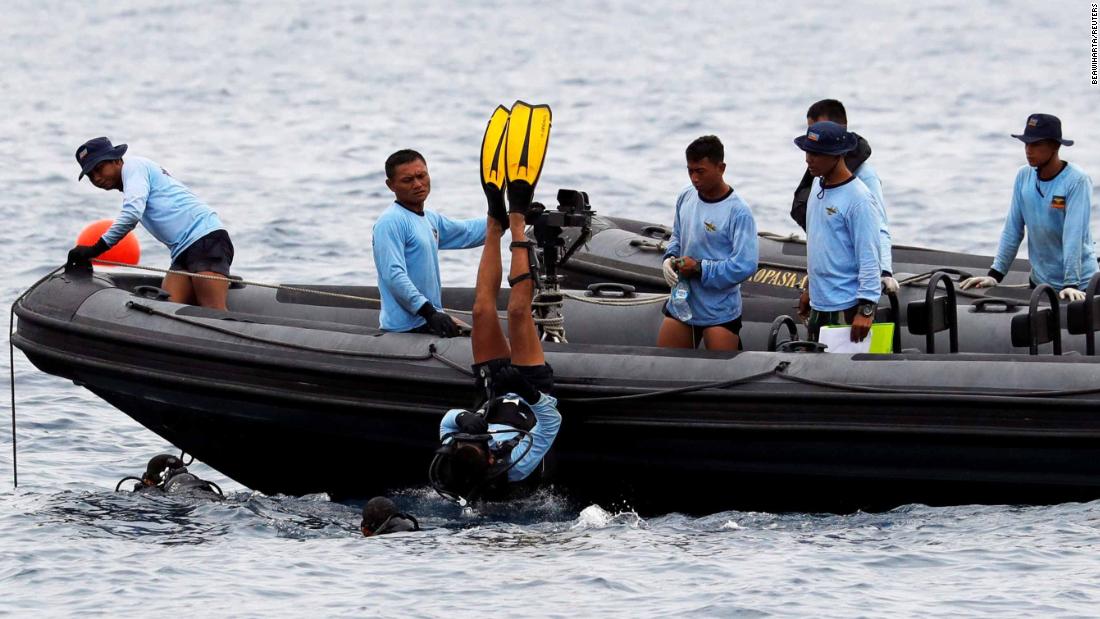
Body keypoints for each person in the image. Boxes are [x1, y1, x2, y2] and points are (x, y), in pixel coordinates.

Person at [429, 197, 561, 504]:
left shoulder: (454, 449)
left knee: (481, 312)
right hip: (532, 392)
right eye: (480, 442)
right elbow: (551, 422)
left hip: (493, 393)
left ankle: (494, 224)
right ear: (490, 458)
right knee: (517, 311)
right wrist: (524, 389)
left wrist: (463, 420)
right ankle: (518, 222)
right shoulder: (515, 466)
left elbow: (446, 423)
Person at [68, 137, 234, 310]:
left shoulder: (134, 167)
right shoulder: (133, 182)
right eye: (90, 175)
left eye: (99, 168)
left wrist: (95, 249)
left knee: (213, 309)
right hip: (182, 251)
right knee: (167, 312)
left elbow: (132, 214)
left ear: (116, 160)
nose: (97, 178)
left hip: (206, 240)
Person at [960, 114, 1097, 301]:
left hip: (1079, 286)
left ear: (1055, 146)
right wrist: (995, 275)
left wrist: (1071, 283)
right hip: (1041, 283)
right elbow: (1013, 229)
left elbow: (1073, 235)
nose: (1028, 150)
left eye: (1035, 145)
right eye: (1026, 144)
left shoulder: (1076, 181)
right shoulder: (1023, 176)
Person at [658, 135, 758, 351]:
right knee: (663, 363)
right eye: (690, 171)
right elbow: (677, 236)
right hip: (683, 303)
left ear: (721, 168)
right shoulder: (685, 196)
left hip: (719, 311)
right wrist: (668, 258)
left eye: (700, 171)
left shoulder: (738, 212)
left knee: (723, 375)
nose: (694, 178)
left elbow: (745, 265)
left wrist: (700, 268)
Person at [372, 150, 487, 336]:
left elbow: (467, 232)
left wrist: (512, 217)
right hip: (406, 326)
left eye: (421, 176)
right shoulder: (390, 222)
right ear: (390, 185)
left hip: (429, 317)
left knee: (487, 342)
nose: (417, 184)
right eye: (407, 180)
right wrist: (429, 312)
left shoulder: (430, 218)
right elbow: (393, 275)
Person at [791, 100, 897, 294]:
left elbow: (878, 228)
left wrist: (884, 271)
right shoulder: (818, 179)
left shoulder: (864, 178)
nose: (813, 139)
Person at [794, 121, 882, 343]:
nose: (808, 159)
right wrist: (810, 288)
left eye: (816, 154)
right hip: (819, 304)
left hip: (847, 307)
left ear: (837, 155)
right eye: (807, 152)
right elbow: (820, 245)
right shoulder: (816, 186)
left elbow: (870, 256)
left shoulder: (859, 199)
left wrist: (866, 309)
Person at [127, 454, 222, 497]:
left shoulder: (166, 487)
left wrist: (143, 489)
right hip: (208, 497)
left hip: (189, 500)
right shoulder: (189, 477)